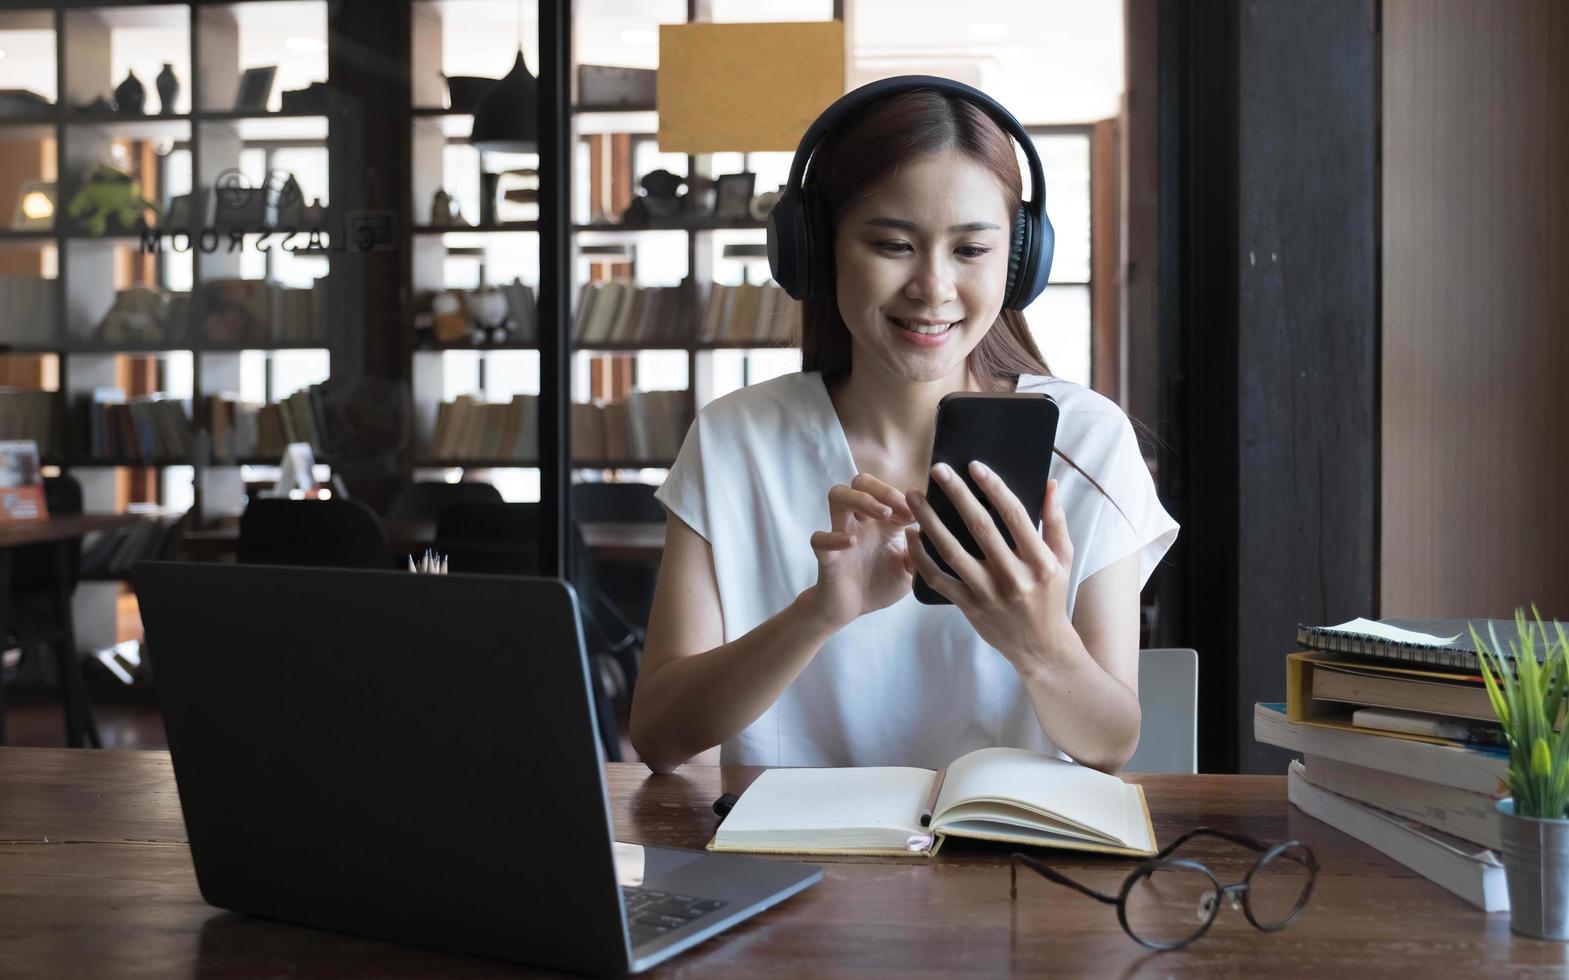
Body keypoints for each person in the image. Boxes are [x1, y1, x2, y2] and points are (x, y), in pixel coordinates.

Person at [630, 78, 1179, 775]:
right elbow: (659, 737)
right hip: (791, 871)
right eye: (893, 245)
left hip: (1012, 872)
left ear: (1019, 262)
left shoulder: (1087, 441)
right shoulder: (735, 439)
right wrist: (817, 615)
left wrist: (1037, 638)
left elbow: (1109, 745)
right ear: (815, 249)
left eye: (971, 251)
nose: (934, 288)